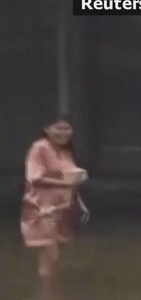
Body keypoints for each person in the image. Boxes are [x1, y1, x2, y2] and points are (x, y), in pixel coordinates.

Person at [21, 117, 88, 280]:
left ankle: (53, 292)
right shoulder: (39, 148)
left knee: (58, 254)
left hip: (63, 208)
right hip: (43, 209)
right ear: (47, 129)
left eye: (67, 129)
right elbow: (34, 178)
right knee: (50, 254)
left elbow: (70, 176)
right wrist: (64, 182)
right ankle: (50, 296)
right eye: (58, 128)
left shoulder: (66, 151)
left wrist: (79, 178)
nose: (64, 133)